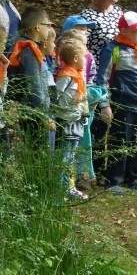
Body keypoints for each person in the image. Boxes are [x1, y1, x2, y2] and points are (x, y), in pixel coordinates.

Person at [95, 11, 137, 194]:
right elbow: (102, 79)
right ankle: (114, 180)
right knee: (120, 143)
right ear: (123, 30)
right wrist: (105, 104)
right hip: (123, 104)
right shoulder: (113, 49)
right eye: (136, 31)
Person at [79, 0, 122, 179]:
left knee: (117, 122)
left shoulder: (119, 13)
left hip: (119, 75)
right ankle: (93, 168)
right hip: (96, 76)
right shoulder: (87, 16)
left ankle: (112, 169)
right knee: (98, 123)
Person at [8, 6, 54, 148]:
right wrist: (43, 115)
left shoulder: (27, 47)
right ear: (38, 27)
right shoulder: (28, 50)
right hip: (34, 115)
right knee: (40, 156)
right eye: (47, 25)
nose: (49, 28)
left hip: (33, 112)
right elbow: (34, 85)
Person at [54, 39, 90, 200]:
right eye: (83, 56)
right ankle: (60, 189)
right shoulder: (66, 76)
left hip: (76, 122)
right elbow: (57, 97)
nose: (86, 58)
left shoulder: (77, 76)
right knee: (65, 157)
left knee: (71, 156)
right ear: (75, 58)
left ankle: (68, 186)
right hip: (66, 122)